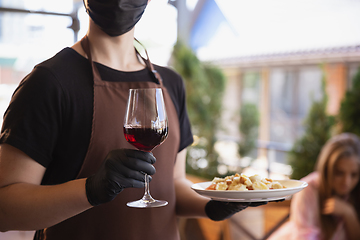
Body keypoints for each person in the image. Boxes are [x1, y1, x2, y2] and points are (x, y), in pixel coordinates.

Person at [0, 0, 266, 239]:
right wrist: (91, 189)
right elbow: (5, 208)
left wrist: (214, 204)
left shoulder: (170, 84)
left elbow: (172, 183)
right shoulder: (49, 83)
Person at [269, 133, 360, 240]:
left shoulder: (354, 193)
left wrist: (349, 213)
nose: (347, 182)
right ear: (327, 170)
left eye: (354, 175)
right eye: (339, 173)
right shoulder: (308, 189)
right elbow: (304, 237)